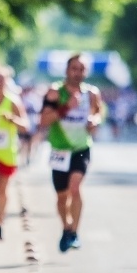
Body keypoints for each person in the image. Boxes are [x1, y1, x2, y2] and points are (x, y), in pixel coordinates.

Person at [39, 53, 102, 252]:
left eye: (81, 69)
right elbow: (44, 120)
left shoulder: (92, 93)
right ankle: (66, 228)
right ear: (67, 70)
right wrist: (66, 107)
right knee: (61, 196)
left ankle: (74, 232)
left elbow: (98, 113)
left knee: (75, 188)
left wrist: (94, 121)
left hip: (81, 148)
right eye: (74, 68)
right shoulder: (55, 92)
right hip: (59, 149)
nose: (77, 73)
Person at [0, 68, 29, 241]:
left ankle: (0, 221)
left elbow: (25, 126)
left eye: (1, 80)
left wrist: (13, 119)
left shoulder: (13, 101)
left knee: (2, 190)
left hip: (8, 152)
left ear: (6, 82)